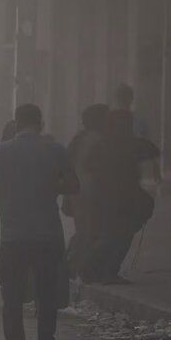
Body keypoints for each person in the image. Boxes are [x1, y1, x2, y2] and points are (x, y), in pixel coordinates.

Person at [0, 104, 80, 340]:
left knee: (12, 297)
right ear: (41, 122)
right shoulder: (55, 150)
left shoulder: (1, 151)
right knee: (46, 295)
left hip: (13, 237)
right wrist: (50, 185)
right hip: (48, 235)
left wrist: (9, 192)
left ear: (16, 122)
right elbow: (74, 185)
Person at [86, 109, 160, 285]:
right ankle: (101, 269)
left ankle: (98, 269)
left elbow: (88, 164)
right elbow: (152, 150)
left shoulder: (102, 145)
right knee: (119, 236)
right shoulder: (131, 144)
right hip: (125, 198)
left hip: (106, 197)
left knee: (111, 235)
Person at [64, 104, 109, 283]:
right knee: (91, 231)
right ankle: (83, 269)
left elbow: (66, 163)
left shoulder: (79, 138)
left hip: (77, 191)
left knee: (83, 230)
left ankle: (72, 265)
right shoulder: (100, 140)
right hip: (92, 192)